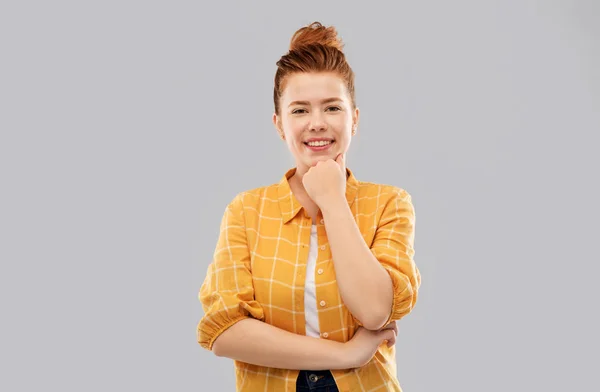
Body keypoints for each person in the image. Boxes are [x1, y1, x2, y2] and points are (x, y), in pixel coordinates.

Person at [196, 21, 421, 392]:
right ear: (280, 125)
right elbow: (225, 331)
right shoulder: (246, 211)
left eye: (332, 107)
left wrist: (332, 199)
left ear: (355, 119)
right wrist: (348, 354)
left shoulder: (389, 204)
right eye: (299, 111)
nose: (317, 124)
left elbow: (374, 310)